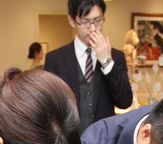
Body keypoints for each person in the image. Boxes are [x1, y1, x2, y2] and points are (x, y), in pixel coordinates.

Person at [44, 0, 133, 132]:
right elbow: (48, 109)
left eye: (98, 20)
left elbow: (125, 102)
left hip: (104, 139)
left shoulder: (116, 57)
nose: (93, 28)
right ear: (72, 20)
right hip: (68, 141)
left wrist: (107, 62)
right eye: (85, 21)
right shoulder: (55, 59)